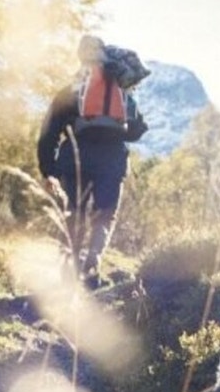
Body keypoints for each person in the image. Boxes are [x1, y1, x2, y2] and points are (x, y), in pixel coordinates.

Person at [37, 35, 148, 288]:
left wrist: (48, 170)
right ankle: (92, 266)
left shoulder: (71, 92)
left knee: (72, 213)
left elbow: (49, 133)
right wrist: (116, 128)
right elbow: (138, 129)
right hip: (112, 160)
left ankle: (68, 268)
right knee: (104, 216)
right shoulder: (122, 93)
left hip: (74, 158)